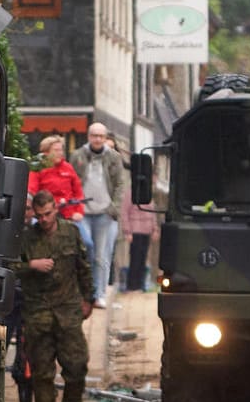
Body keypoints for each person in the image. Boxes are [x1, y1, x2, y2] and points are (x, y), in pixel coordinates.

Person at [15, 190, 93, 402]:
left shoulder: (71, 232)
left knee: (77, 367)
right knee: (41, 373)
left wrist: (88, 298)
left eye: (48, 214)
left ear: (55, 210)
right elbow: (10, 266)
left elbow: (83, 266)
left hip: (68, 309)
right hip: (38, 312)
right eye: (39, 216)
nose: (44, 220)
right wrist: (31, 266)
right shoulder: (27, 238)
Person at [70, 123, 128, 307]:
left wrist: (114, 208)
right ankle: (84, 292)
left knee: (101, 256)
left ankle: (99, 293)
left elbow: (120, 184)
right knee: (85, 251)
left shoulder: (114, 157)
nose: (97, 139)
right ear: (88, 136)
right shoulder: (78, 155)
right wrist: (73, 208)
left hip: (105, 213)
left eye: (100, 136)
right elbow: (71, 181)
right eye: (94, 135)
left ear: (105, 138)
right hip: (83, 213)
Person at [27, 135, 89, 251]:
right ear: (46, 152)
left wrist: (79, 212)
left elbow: (78, 193)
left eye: (61, 150)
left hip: (69, 215)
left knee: (88, 243)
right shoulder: (38, 168)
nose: (60, 153)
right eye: (56, 150)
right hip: (44, 214)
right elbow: (32, 191)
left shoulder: (68, 168)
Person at [121, 193, 157, 291]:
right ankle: (132, 285)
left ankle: (140, 285)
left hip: (147, 231)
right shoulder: (130, 193)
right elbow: (124, 212)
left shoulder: (148, 192)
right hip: (135, 230)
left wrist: (155, 229)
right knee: (135, 259)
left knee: (143, 258)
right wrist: (127, 231)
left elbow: (152, 212)